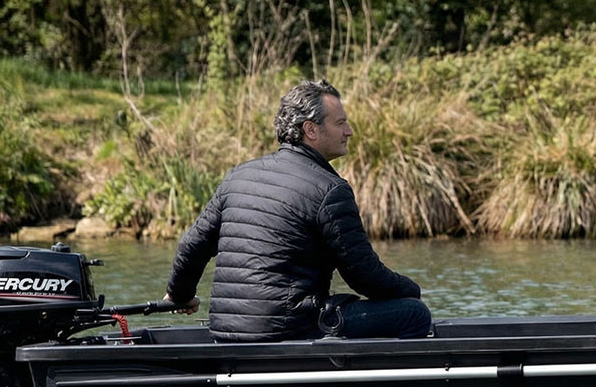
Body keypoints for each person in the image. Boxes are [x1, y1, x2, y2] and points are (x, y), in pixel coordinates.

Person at [163, 79, 432, 342]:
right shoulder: (329, 189)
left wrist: (180, 295)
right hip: (292, 329)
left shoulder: (238, 176)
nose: (349, 131)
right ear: (311, 130)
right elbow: (365, 277)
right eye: (340, 123)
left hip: (226, 331)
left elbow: (192, 245)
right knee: (413, 314)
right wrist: (411, 291)